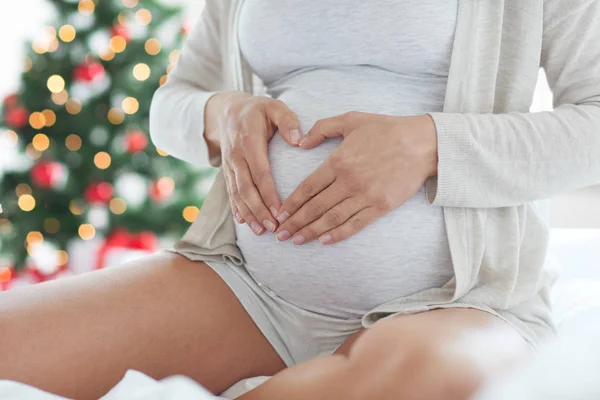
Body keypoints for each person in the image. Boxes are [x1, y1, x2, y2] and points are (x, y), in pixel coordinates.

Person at [2, 1, 600, 399]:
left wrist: (432, 145)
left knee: (425, 381)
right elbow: (174, 101)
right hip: (246, 290)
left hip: (456, 300)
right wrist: (221, 114)